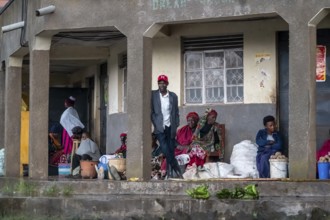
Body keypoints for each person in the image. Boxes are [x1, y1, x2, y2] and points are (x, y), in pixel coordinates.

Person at [151, 74, 182, 179]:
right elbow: (151, 111)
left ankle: (170, 173)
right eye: (160, 83)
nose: (162, 84)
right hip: (160, 127)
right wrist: (155, 122)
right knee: (165, 148)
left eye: (164, 82)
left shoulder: (173, 96)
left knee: (170, 150)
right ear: (158, 84)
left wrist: (176, 123)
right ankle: (176, 169)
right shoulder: (153, 95)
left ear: (167, 84)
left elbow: (176, 111)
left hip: (170, 126)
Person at [160, 112, 200, 176]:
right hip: (181, 147)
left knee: (188, 153)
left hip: (191, 148)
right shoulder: (182, 130)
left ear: (196, 121)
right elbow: (174, 140)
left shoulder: (198, 130)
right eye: (189, 120)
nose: (191, 122)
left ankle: (186, 173)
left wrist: (190, 146)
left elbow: (198, 141)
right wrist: (179, 146)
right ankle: (164, 171)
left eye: (193, 120)